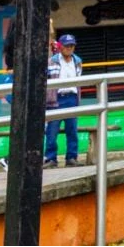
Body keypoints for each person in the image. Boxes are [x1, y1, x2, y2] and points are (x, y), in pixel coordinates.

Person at [44, 33, 82, 168]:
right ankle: (50, 158)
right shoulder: (51, 61)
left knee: (72, 130)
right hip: (56, 99)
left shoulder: (77, 61)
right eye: (67, 46)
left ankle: (72, 157)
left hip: (71, 98)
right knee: (51, 131)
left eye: (72, 46)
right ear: (60, 47)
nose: (69, 48)